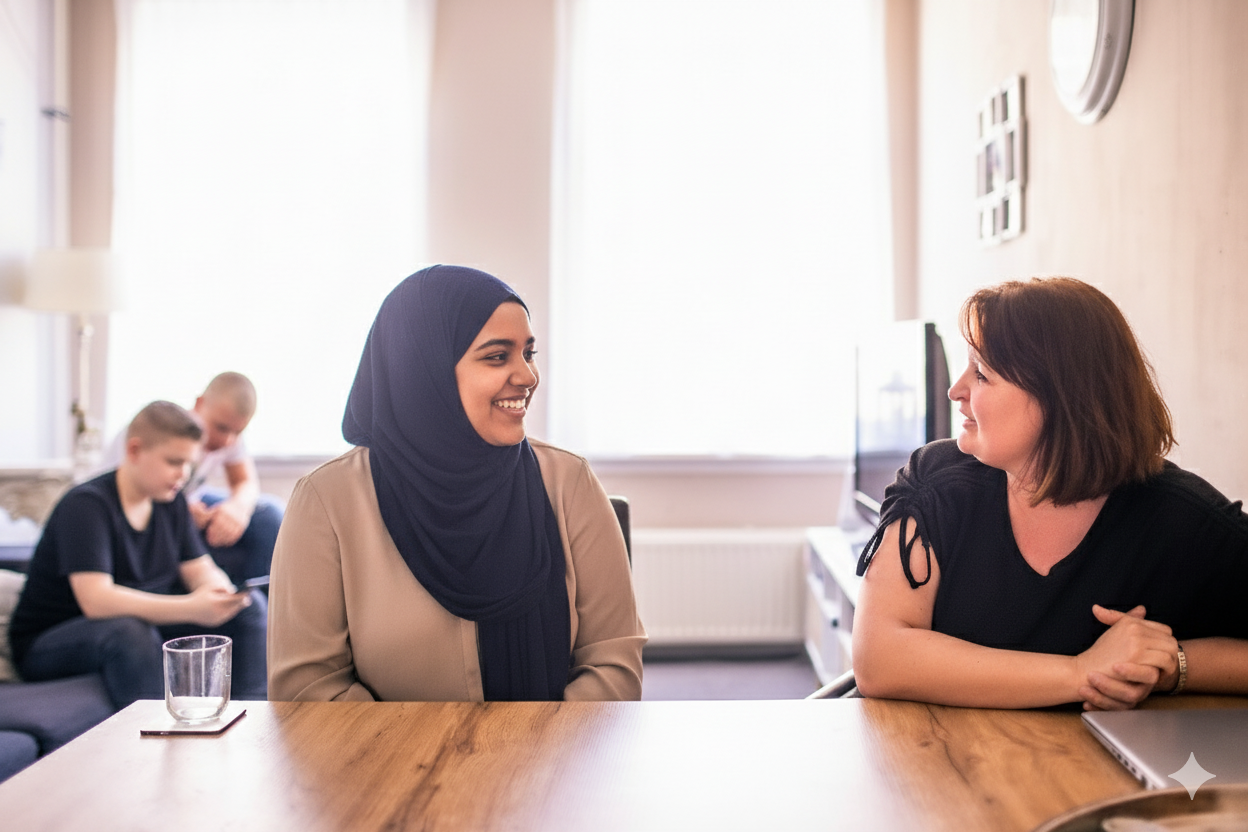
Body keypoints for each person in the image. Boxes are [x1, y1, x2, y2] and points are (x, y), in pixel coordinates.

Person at [852, 277, 1248, 710]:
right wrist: (1080, 673)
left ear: (1061, 398)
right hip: (934, 765)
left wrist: (1175, 665)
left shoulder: (1181, 520)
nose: (956, 390)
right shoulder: (935, 485)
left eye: (982, 373)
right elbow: (878, 658)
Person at [267, 265, 646, 702]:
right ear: (423, 369)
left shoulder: (567, 481)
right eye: (497, 356)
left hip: (554, 765)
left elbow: (613, 662)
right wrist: (437, 764)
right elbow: (309, 688)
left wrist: (539, 755)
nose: (528, 376)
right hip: (389, 769)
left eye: (528, 353)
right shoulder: (327, 501)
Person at [8, 401, 268, 710]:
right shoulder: (85, 506)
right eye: (174, 462)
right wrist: (192, 607)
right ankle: (156, 744)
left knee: (248, 609)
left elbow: (199, 568)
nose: (183, 475)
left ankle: (251, 718)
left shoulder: (171, 502)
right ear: (134, 450)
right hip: (50, 641)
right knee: (130, 631)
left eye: (189, 464)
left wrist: (219, 591)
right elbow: (97, 601)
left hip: (137, 624)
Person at [102, 372, 283, 585]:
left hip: (188, 504)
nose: (227, 441)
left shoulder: (229, 440)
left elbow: (246, 481)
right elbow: (128, 492)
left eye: (237, 432)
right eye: (221, 427)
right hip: (155, 506)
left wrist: (237, 509)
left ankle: (252, 596)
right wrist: (179, 512)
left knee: (270, 513)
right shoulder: (156, 432)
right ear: (200, 403)